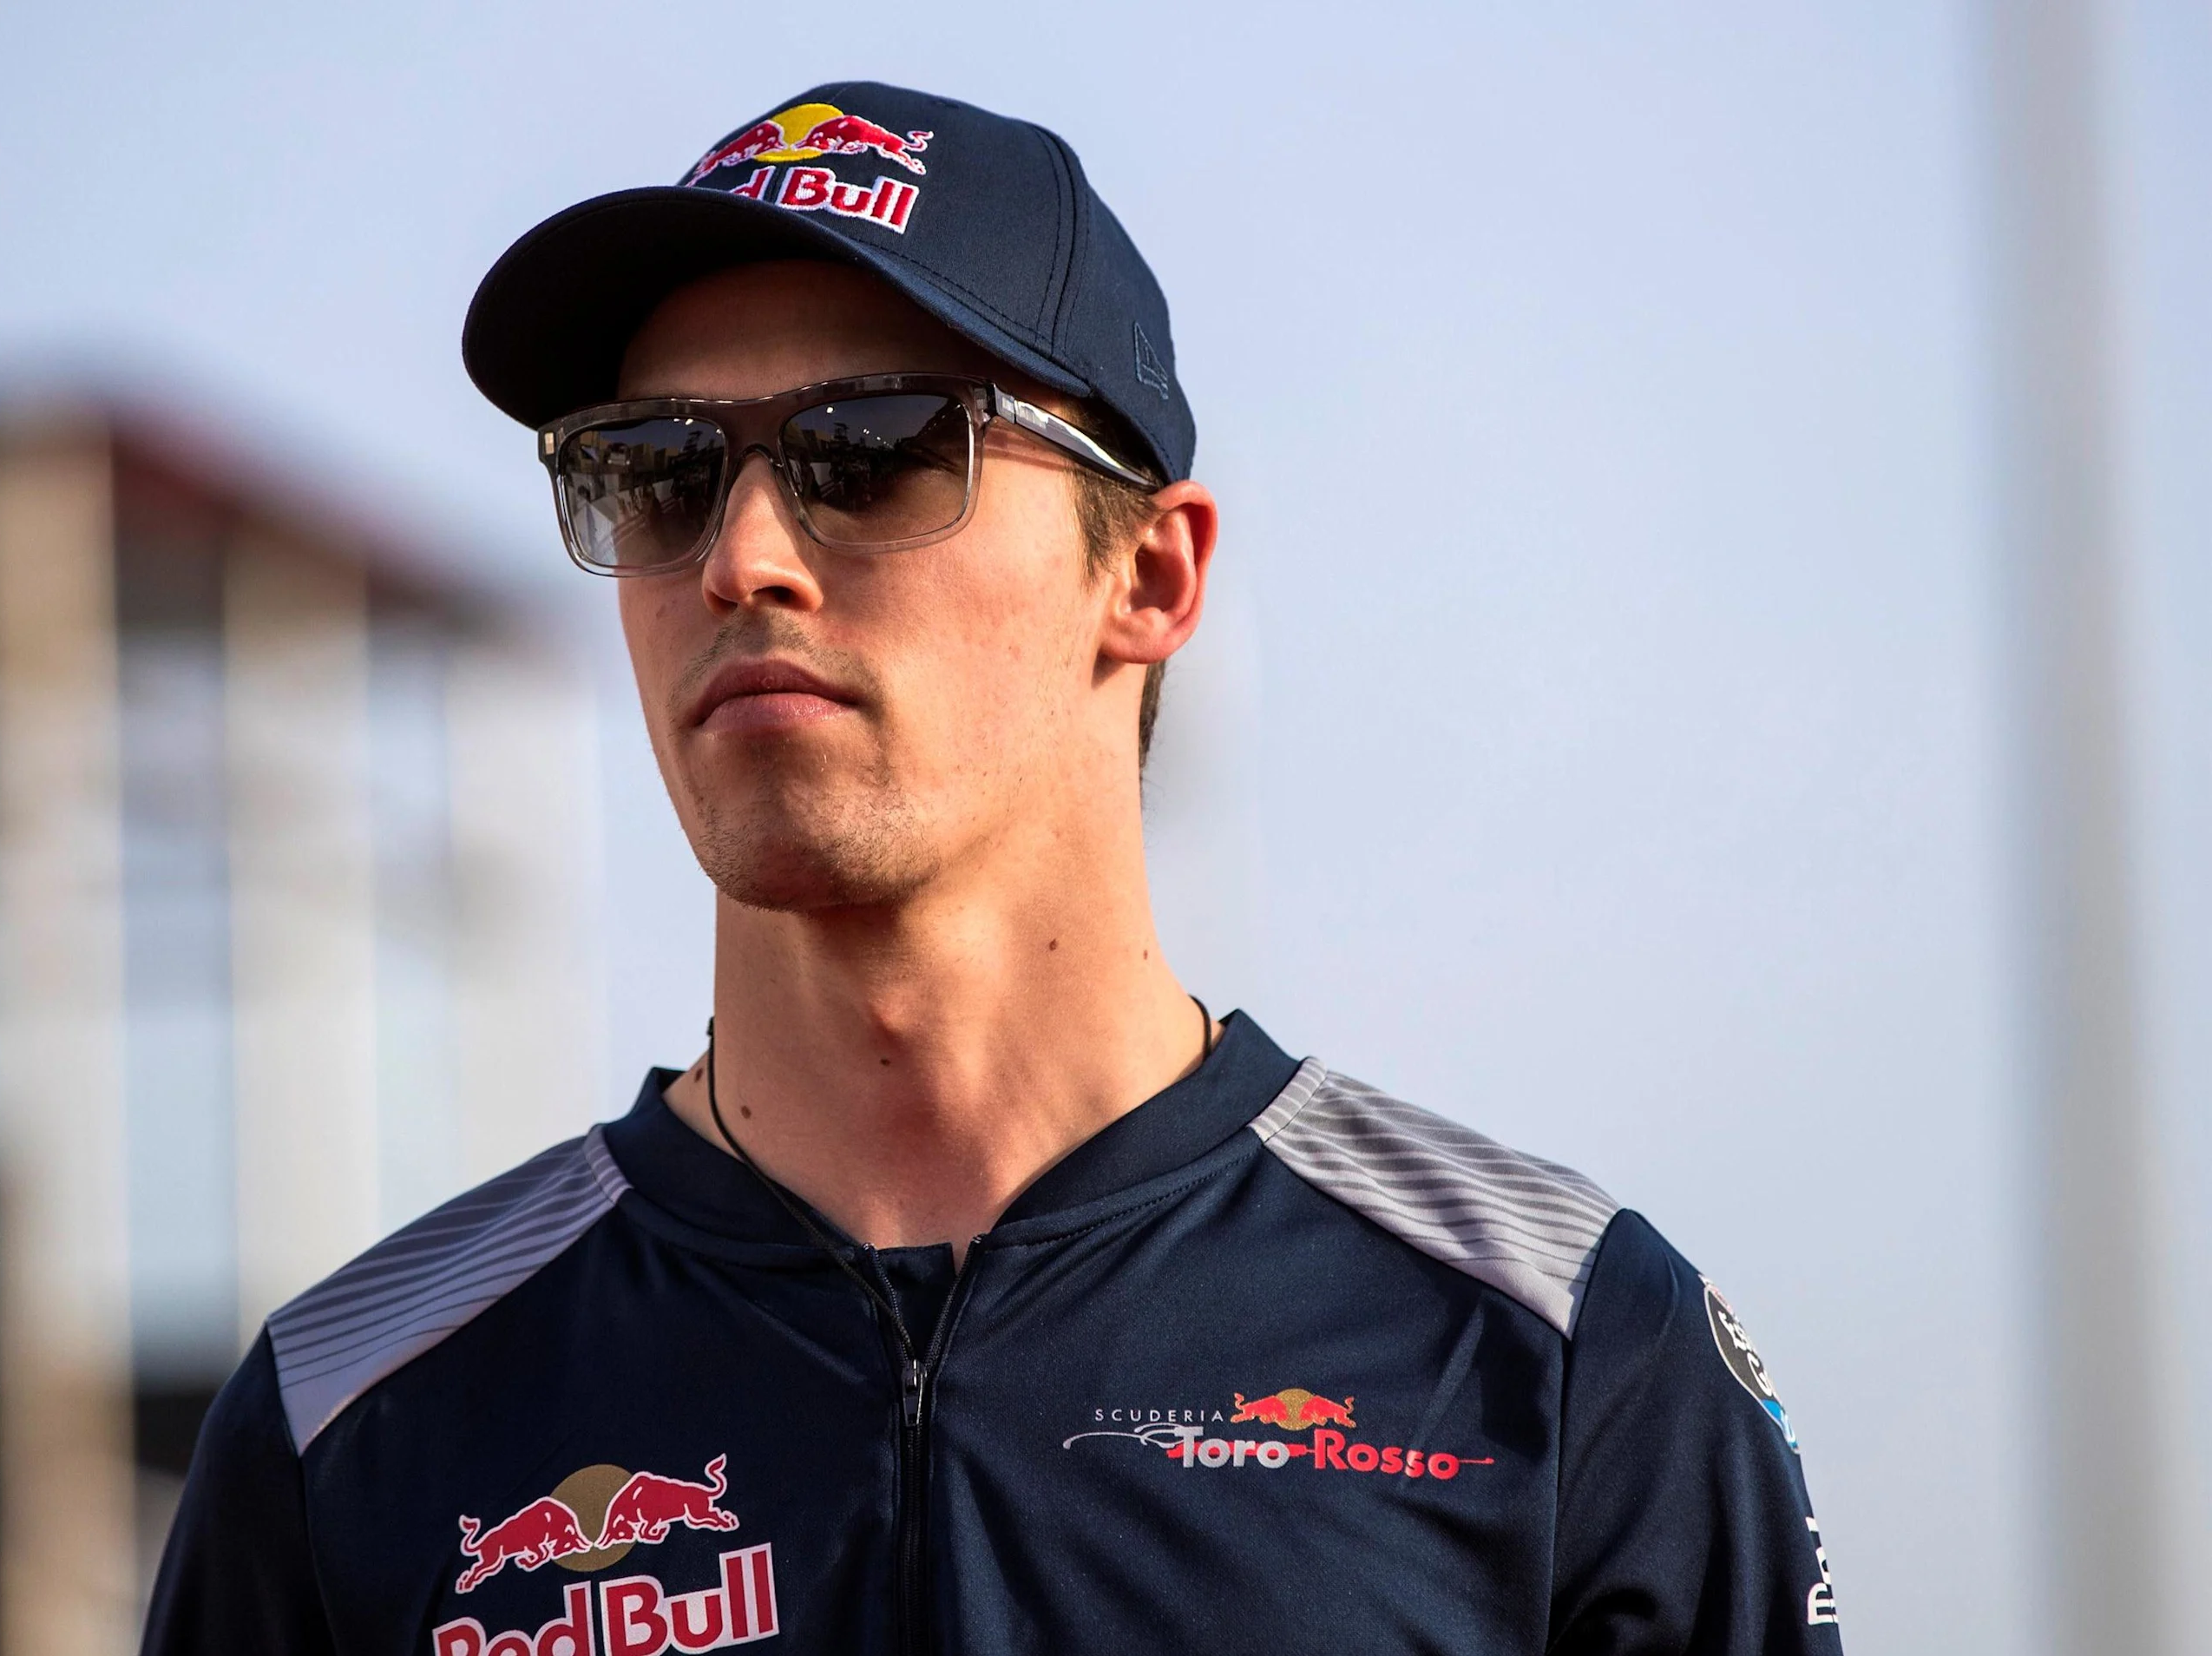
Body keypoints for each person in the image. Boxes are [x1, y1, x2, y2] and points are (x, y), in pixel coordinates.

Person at [143, 81, 1844, 1655]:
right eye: (651, 471)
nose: (740, 557)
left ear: (1154, 575)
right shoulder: (348, 1422)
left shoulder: (1559, 1357)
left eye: (872, 450)